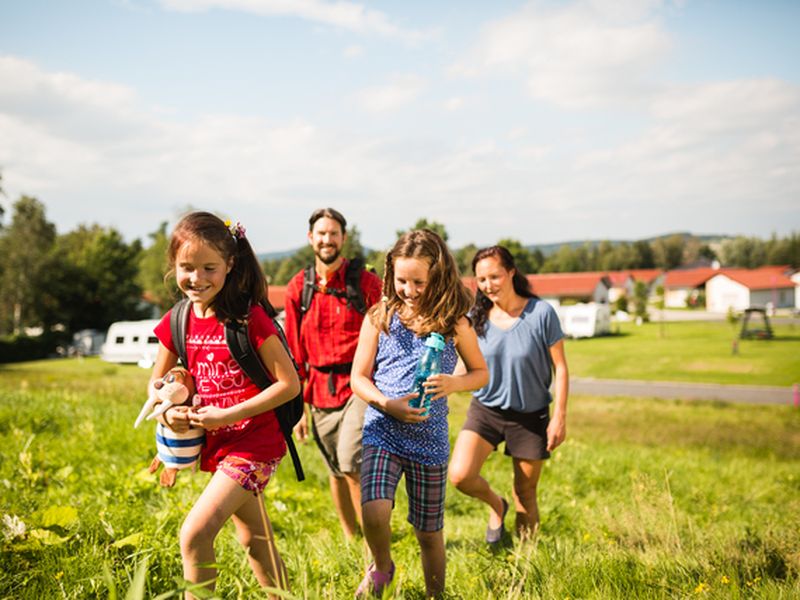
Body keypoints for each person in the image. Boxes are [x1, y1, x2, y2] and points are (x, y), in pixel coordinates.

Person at [149, 212, 301, 599]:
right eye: (186, 267)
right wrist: (171, 413)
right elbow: (156, 385)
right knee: (255, 538)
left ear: (230, 265)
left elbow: (289, 384)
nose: (196, 278)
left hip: (255, 443)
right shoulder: (178, 320)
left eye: (208, 268)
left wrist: (227, 415)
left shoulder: (250, 319)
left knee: (194, 532)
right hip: (217, 446)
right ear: (174, 266)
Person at [350, 229, 488, 597]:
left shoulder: (454, 323)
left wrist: (454, 384)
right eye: (401, 280)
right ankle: (381, 566)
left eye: (418, 282)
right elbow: (358, 378)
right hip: (383, 428)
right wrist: (385, 403)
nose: (408, 290)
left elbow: (480, 373)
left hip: (429, 439)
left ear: (438, 277)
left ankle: (435, 595)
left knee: (428, 532)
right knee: (374, 510)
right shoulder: (380, 317)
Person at [449, 245, 569, 544]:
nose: (488, 285)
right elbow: (464, 365)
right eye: (482, 279)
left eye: (495, 276)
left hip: (530, 416)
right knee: (460, 475)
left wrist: (559, 418)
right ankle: (496, 505)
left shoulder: (541, 313)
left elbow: (561, 368)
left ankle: (526, 562)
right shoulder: (475, 318)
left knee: (525, 494)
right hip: (486, 410)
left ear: (512, 272)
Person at [284, 208, 382, 539]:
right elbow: (294, 352)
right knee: (336, 471)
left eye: (334, 233)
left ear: (344, 237)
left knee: (351, 462)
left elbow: (389, 327)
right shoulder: (299, 287)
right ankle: (350, 536)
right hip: (319, 389)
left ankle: (374, 546)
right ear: (311, 238)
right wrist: (297, 407)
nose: (328, 239)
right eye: (321, 233)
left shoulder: (366, 282)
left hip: (360, 385)